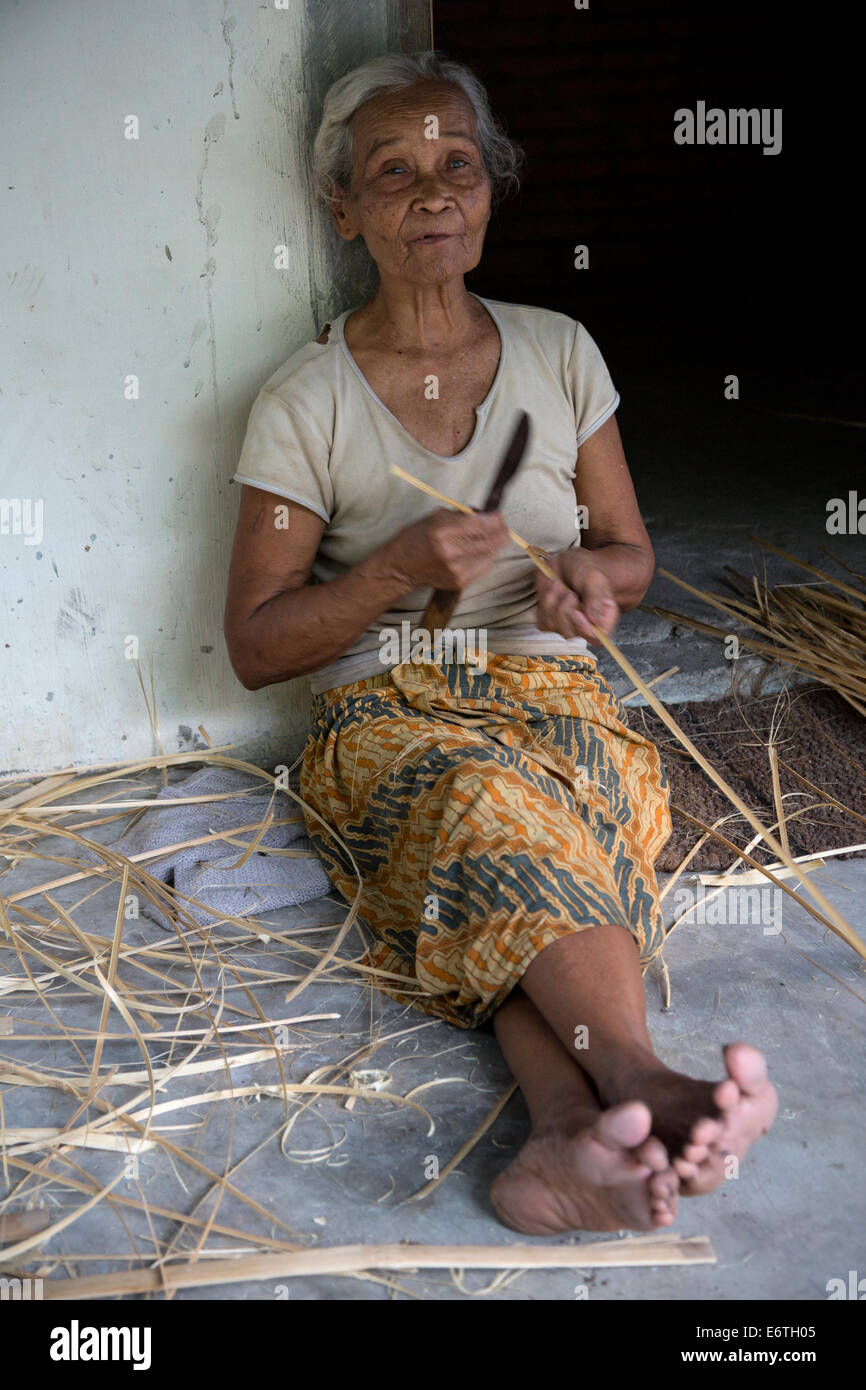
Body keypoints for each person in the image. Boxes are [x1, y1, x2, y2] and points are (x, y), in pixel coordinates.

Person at [224, 50, 777, 1235]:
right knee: (483, 798)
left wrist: (592, 579)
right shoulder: (302, 400)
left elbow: (630, 553)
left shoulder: (560, 351)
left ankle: (566, 1133)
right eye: (393, 170)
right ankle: (643, 1081)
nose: (431, 193)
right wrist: (392, 569)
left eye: (455, 165)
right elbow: (257, 646)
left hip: (555, 685)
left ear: (490, 190)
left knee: (581, 797)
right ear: (343, 209)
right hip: (391, 704)